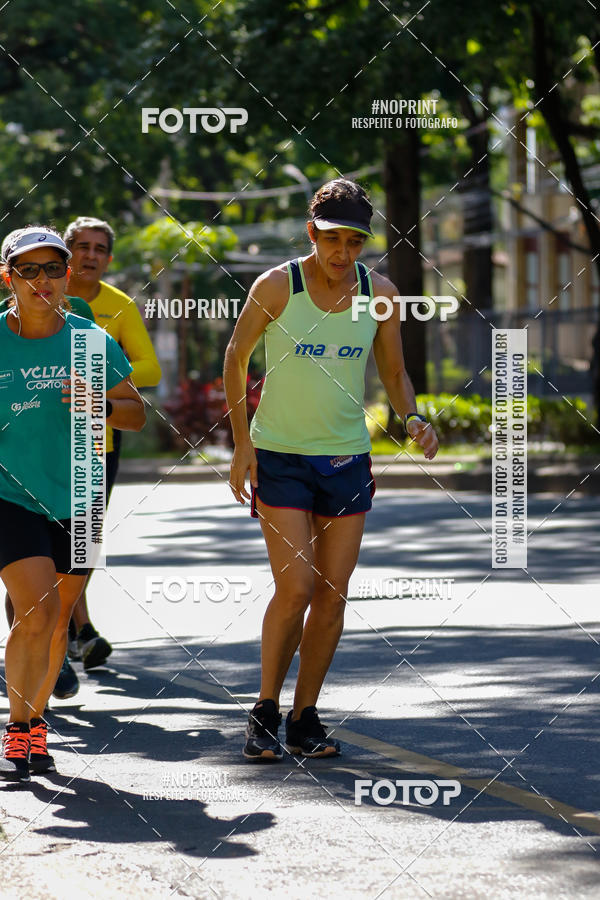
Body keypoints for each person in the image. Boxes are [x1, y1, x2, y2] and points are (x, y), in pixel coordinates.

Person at [224, 179, 439, 761]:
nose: (342, 253)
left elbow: (394, 374)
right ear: (311, 232)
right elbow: (236, 356)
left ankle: (305, 715)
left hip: (345, 457)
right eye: (331, 239)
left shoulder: (380, 294)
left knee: (332, 593)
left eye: (353, 241)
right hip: (280, 457)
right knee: (294, 589)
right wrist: (242, 445)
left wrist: (413, 418)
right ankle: (265, 709)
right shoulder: (276, 285)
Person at [0, 225, 146, 781]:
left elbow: (135, 411)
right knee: (34, 609)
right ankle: (17, 730)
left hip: (81, 490)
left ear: (67, 275)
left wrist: (100, 406)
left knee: (59, 620)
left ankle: (37, 721)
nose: (42, 281)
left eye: (52, 269)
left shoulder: (90, 341)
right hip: (9, 493)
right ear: (9, 276)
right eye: (28, 270)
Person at [59, 217, 161, 675]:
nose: (90, 256)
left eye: (100, 249)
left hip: (99, 438)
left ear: (109, 259)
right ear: (66, 252)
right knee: (42, 538)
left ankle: (73, 630)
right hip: (37, 438)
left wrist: (93, 379)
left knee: (82, 539)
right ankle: (74, 630)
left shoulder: (118, 307)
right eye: (82, 246)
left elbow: (150, 369)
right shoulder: (41, 293)